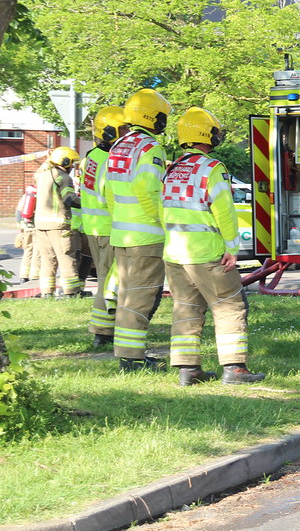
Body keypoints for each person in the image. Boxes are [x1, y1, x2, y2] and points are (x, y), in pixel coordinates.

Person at [162, 107, 265, 386]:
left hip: (174, 253)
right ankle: (235, 369)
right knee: (230, 306)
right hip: (207, 253)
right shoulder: (211, 168)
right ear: (206, 134)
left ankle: (188, 370)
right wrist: (232, 247)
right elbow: (224, 211)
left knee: (186, 308)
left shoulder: (171, 170)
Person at [101, 89, 173, 372]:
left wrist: (118, 217)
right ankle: (132, 359)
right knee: (141, 298)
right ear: (151, 116)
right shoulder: (150, 148)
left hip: (122, 234)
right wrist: (164, 223)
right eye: (161, 116)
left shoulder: (119, 145)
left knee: (128, 295)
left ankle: (128, 355)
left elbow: (107, 191)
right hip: (146, 236)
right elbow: (148, 190)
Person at [81, 106, 126, 348]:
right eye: (124, 130)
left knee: (104, 280)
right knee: (111, 282)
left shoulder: (91, 156)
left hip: (94, 227)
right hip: (110, 228)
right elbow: (113, 196)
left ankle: (105, 329)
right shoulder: (111, 160)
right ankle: (103, 331)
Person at [33, 146, 83, 298]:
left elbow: (38, 173)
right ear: (65, 161)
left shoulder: (42, 175)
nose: (72, 167)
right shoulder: (63, 177)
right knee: (66, 257)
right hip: (59, 225)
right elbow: (70, 199)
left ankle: (47, 292)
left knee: (48, 260)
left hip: (41, 226)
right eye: (72, 163)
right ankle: (72, 292)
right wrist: (88, 201)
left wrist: (48, 160)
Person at [14, 184, 40, 284]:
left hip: (26, 228)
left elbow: (18, 212)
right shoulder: (40, 194)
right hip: (37, 228)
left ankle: (23, 276)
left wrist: (20, 230)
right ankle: (35, 276)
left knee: (28, 251)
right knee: (37, 252)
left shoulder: (27, 195)